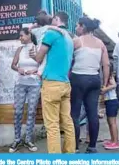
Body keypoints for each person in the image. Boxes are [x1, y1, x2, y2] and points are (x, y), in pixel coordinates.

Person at [29, 11, 75, 153]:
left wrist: (33, 55)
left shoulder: (51, 34)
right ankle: (70, 153)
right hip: (65, 84)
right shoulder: (69, 37)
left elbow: (38, 58)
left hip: (51, 84)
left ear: (56, 19)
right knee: (67, 122)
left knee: (52, 125)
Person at [70, 17, 110, 153]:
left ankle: (74, 147)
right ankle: (92, 146)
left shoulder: (76, 41)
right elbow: (106, 64)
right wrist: (104, 83)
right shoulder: (101, 44)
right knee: (92, 113)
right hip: (94, 79)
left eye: (77, 26)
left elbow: (68, 60)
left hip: (78, 78)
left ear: (83, 27)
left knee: (74, 114)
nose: (76, 28)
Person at [9, 28, 41, 153]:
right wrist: (18, 69)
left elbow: (42, 65)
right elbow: (13, 65)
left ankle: (28, 140)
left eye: (22, 36)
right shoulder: (20, 49)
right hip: (20, 84)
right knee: (17, 112)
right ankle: (17, 139)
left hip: (34, 84)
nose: (20, 38)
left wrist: (35, 71)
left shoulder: (37, 49)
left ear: (29, 35)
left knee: (32, 112)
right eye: (19, 36)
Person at [101, 64, 119, 150]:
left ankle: (115, 142)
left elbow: (114, 85)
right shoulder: (105, 79)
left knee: (112, 122)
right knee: (109, 122)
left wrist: (105, 89)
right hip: (108, 101)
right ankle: (112, 139)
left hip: (112, 101)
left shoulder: (111, 78)